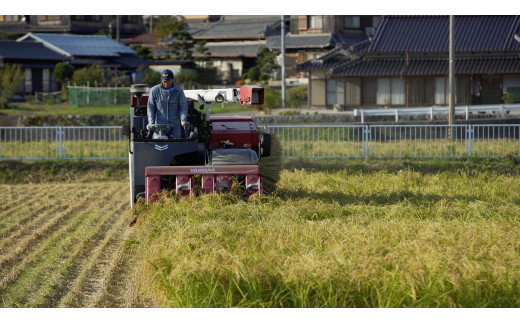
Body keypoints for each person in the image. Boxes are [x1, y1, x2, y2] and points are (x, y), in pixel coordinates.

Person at [147, 69, 188, 139]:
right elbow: (151, 107)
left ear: (172, 79)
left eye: (168, 81)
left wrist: (183, 121)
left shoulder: (179, 91)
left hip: (174, 124)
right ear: (161, 79)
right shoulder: (154, 90)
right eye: (164, 81)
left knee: (176, 143)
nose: (165, 83)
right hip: (159, 125)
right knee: (158, 143)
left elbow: (183, 107)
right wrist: (151, 123)